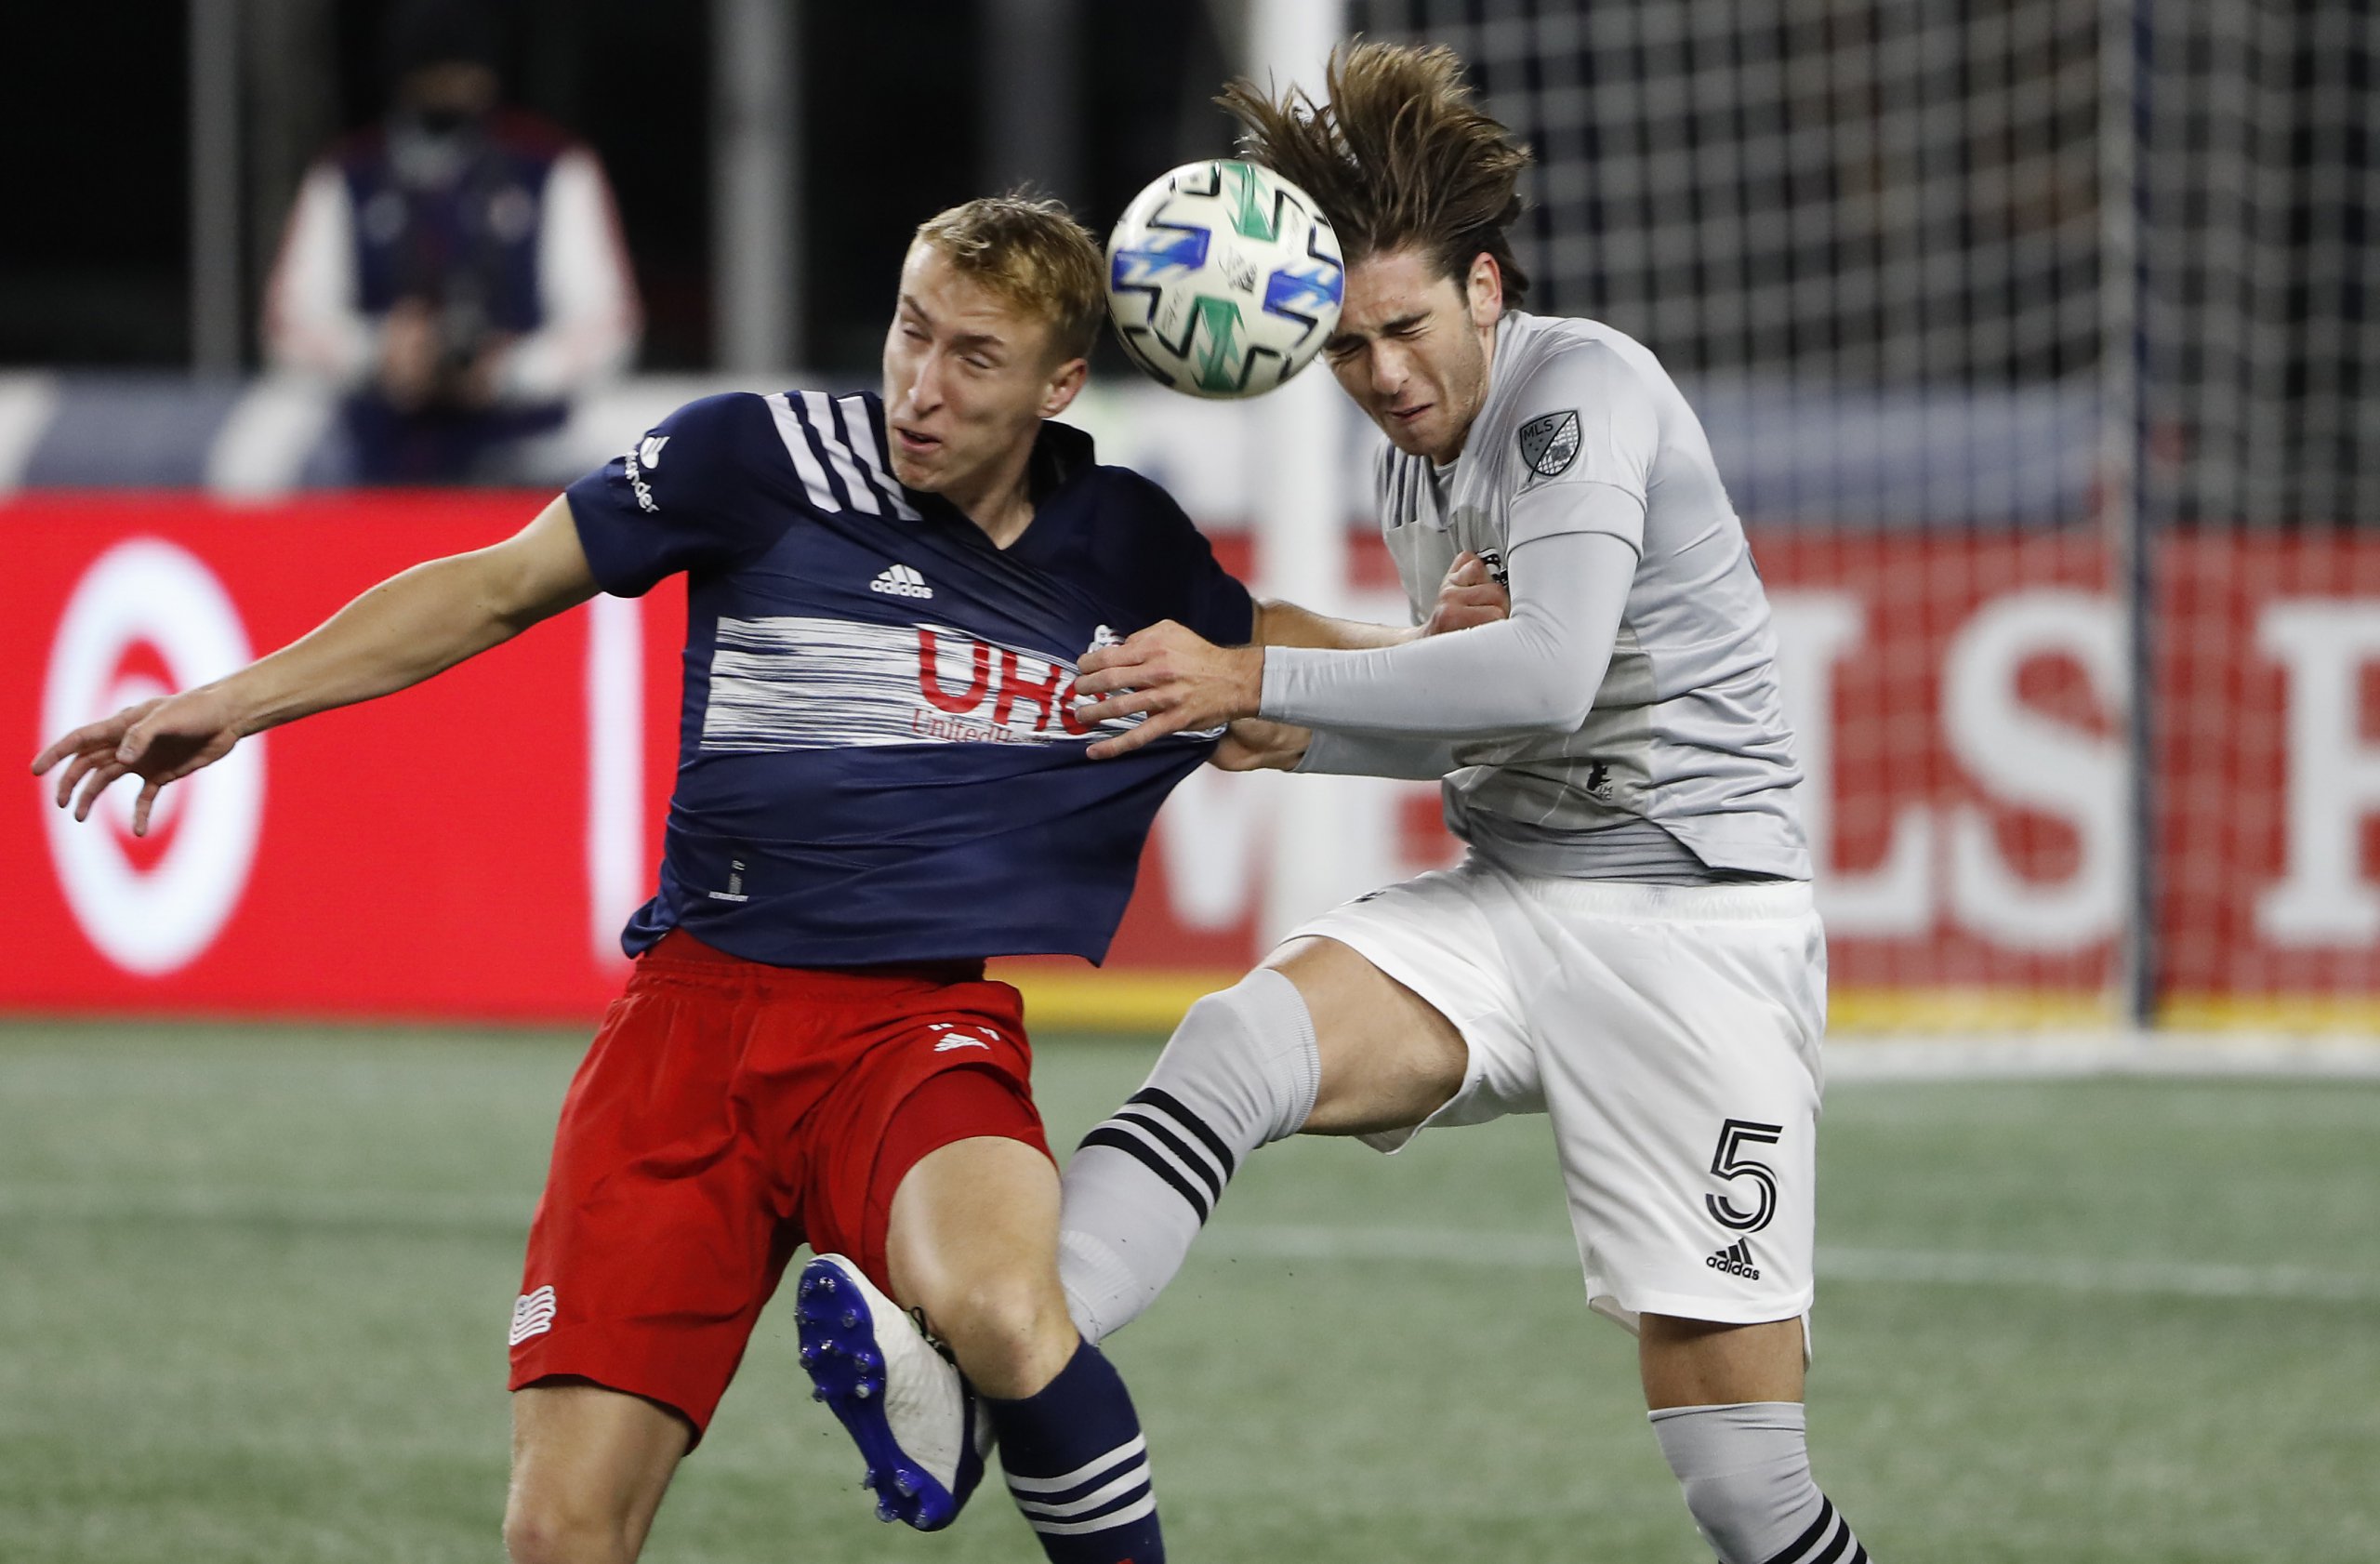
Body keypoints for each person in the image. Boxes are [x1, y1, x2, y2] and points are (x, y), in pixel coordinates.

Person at [35, 193, 1477, 1564]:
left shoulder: (1125, 545)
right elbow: (491, 583)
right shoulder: (755, 457)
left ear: (1060, 387)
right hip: (688, 1029)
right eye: (913, 329)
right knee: (560, 1530)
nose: (921, 383)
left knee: (1003, 1306)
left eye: (975, 356)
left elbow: (1265, 665)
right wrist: (242, 697)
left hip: (911, 1032)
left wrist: (1451, 656)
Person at [1050, 43, 1875, 1564]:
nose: (1385, 378)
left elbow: (1549, 675)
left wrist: (1261, 683)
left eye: (1408, 331)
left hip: (1696, 932)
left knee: (1744, 1486)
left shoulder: (1585, 389)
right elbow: (1475, 730)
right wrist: (1296, 726)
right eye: (1348, 350)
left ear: (1485, 288)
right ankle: (991, 1354)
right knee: (1237, 1040)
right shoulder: (1416, 475)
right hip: (1515, 903)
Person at [262, 0, 640, 484]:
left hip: (528, 448)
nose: (453, 91)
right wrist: (380, 351)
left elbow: (609, 324)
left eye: (465, 73)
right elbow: (289, 324)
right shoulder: (349, 173)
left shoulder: (550, 166)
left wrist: (509, 371)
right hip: (379, 448)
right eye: (437, 76)